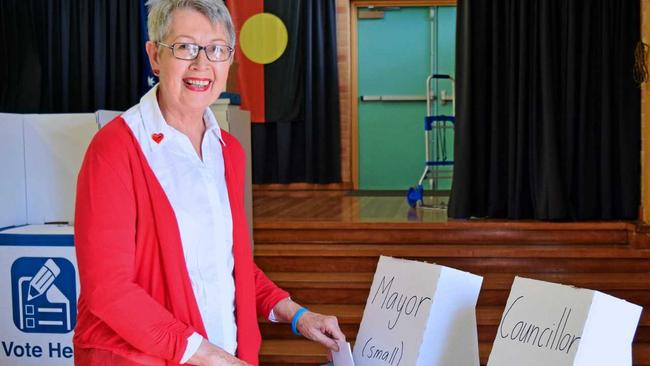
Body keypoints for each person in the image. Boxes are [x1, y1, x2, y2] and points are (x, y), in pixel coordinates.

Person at [73, 0, 345, 365]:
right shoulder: (116, 148)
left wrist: (295, 314)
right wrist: (203, 354)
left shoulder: (227, 150)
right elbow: (109, 289)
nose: (202, 64)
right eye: (185, 47)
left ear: (229, 60)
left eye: (216, 49)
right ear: (155, 56)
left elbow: (225, 261)